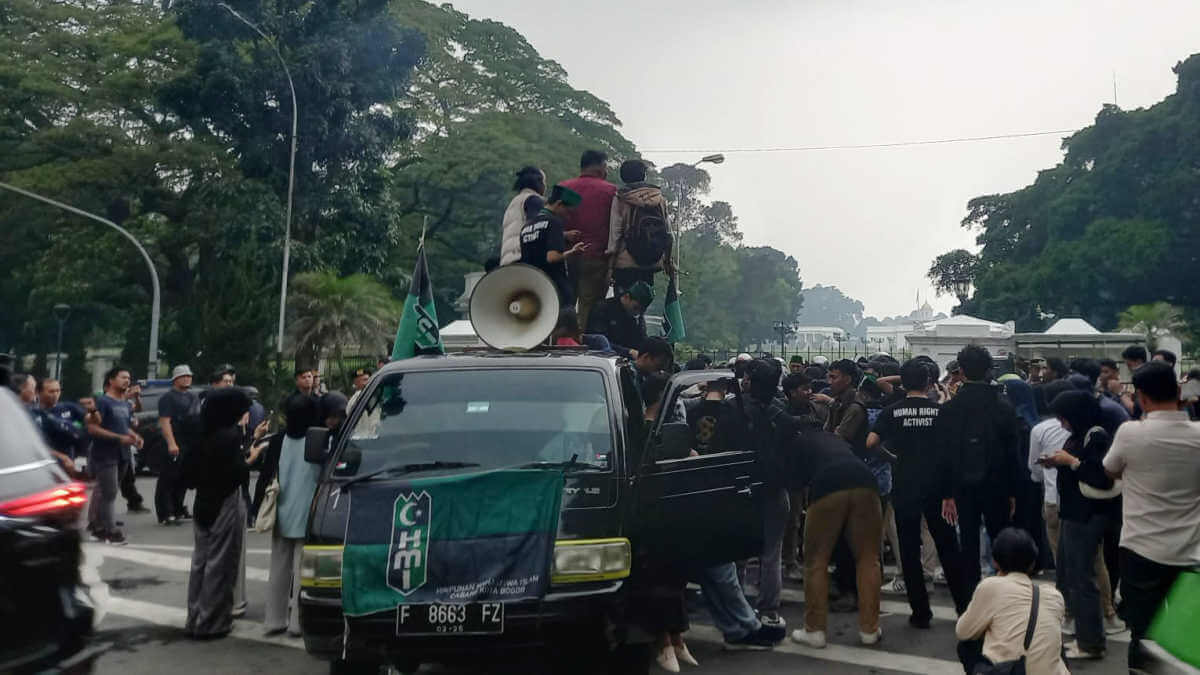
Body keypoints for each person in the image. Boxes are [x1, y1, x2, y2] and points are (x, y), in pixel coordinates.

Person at [1103, 361, 1200, 670]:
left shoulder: (1131, 433)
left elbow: (1110, 469)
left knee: (1142, 634)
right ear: (1178, 392)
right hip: (1190, 553)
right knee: (1188, 636)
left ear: (1141, 397)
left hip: (1141, 550)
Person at [866, 360, 970, 628]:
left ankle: (920, 612)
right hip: (937, 487)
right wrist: (950, 493)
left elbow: (871, 442)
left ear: (904, 382)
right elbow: (951, 454)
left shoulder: (892, 411)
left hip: (905, 486)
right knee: (948, 547)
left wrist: (893, 459)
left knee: (909, 551)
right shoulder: (941, 412)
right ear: (927, 383)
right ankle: (963, 608)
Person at [937, 344, 1021, 597]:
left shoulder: (950, 409)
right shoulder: (1003, 406)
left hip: (962, 486)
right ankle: (1004, 594)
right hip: (998, 485)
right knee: (1000, 541)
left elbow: (944, 455)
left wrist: (946, 493)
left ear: (960, 371)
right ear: (988, 370)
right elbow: (1012, 454)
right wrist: (1014, 492)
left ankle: (971, 600)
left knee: (968, 545)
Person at [789, 429, 883, 649]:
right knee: (869, 558)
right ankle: (869, 629)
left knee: (816, 561)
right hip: (865, 480)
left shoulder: (797, 441)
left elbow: (795, 482)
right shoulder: (834, 438)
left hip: (828, 484)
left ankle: (814, 630)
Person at [1042, 389, 1119, 659]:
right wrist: (1056, 462)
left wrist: (1070, 462)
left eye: (1064, 418)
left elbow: (1102, 476)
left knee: (1081, 578)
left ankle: (1091, 642)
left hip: (1086, 515)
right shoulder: (1080, 434)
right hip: (1073, 513)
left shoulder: (1096, 435)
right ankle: (1084, 632)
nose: (1061, 424)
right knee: (1069, 573)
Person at [186, 387, 265, 639]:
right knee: (221, 563)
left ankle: (195, 616)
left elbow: (187, 473)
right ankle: (212, 622)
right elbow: (237, 472)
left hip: (202, 501)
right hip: (226, 501)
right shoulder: (229, 436)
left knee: (201, 561)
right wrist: (251, 458)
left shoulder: (201, 431)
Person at [955, 528, 1069, 675]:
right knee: (1055, 644)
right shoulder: (1054, 595)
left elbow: (963, 631)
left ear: (995, 562)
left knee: (966, 645)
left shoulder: (991, 586)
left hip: (1011, 670)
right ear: (1032, 563)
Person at [265, 372, 322, 637]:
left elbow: (265, 476)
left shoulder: (278, 441)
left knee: (278, 569)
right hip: (307, 512)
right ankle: (299, 623)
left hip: (281, 512)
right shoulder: (317, 441)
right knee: (303, 571)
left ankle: (274, 620)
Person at [560, 150, 617, 329]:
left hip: (565, 256)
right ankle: (581, 347)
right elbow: (616, 227)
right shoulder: (610, 191)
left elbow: (556, 221)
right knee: (588, 308)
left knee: (563, 304)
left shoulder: (564, 188)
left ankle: (556, 344)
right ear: (601, 167)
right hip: (595, 258)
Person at [87, 366, 142, 545]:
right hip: (105, 453)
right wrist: (120, 438)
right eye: (123, 377)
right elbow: (93, 428)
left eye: (129, 378)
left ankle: (99, 527)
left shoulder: (125, 404)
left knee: (109, 493)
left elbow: (123, 426)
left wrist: (135, 437)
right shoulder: (102, 402)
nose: (127, 380)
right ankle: (111, 532)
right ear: (111, 381)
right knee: (109, 493)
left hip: (123, 454)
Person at [607, 159, 673, 294]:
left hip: (625, 262)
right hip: (651, 260)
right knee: (642, 300)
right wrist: (667, 260)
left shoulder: (621, 198)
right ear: (644, 175)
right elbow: (668, 232)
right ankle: (640, 315)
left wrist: (609, 266)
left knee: (623, 303)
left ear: (623, 177)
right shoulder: (659, 199)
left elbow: (615, 234)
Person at [520, 183, 586, 305]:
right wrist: (573, 252)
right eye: (568, 211)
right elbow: (552, 257)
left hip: (533, 285)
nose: (568, 217)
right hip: (553, 286)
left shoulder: (527, 226)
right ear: (559, 204)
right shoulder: (554, 223)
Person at [157, 365, 198, 526]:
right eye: (183, 376)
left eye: (189, 375)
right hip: (175, 440)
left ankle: (178, 508)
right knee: (169, 479)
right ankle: (166, 513)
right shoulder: (168, 398)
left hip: (189, 443)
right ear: (175, 379)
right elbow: (165, 421)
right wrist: (171, 443)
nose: (187, 378)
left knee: (183, 478)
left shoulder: (193, 397)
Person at [586, 281, 652, 359]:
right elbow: (597, 342)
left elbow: (642, 340)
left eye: (642, 310)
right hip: (603, 358)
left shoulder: (637, 317)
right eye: (636, 308)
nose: (637, 312)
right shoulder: (603, 309)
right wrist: (627, 352)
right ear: (627, 297)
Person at [500, 165, 546, 266]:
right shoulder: (534, 200)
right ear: (539, 183)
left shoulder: (514, 202)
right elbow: (536, 229)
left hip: (507, 261)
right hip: (524, 258)